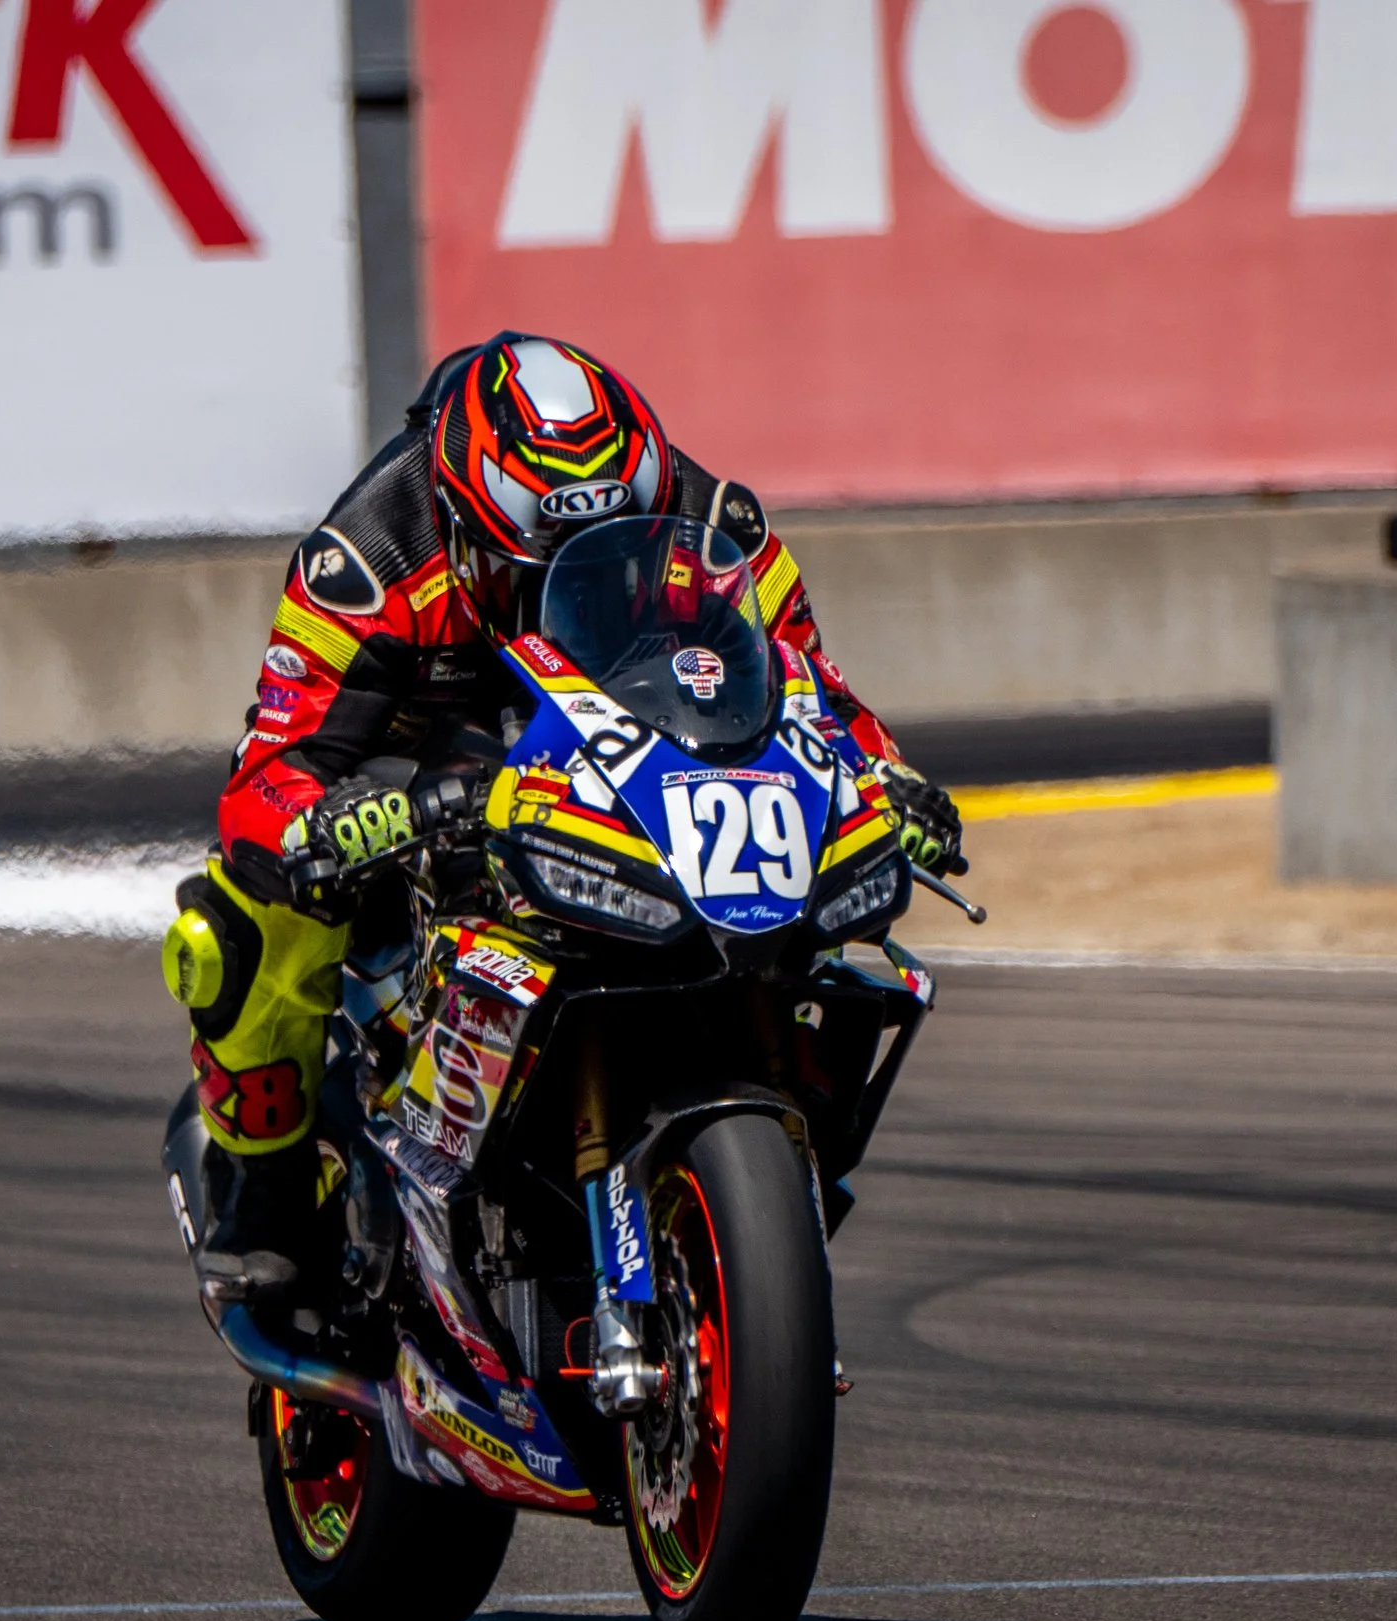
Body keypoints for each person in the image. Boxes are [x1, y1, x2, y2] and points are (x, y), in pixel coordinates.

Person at [164, 333, 961, 1307]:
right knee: (244, 910)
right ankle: (268, 1187)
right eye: (535, 566)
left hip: (630, 743)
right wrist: (334, 819)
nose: (564, 585)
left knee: (809, 925)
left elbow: (813, 698)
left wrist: (888, 783)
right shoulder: (369, 560)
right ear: (462, 527)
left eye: (606, 552)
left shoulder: (717, 525)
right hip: (438, 762)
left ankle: (761, 1147)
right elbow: (271, 770)